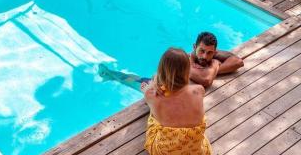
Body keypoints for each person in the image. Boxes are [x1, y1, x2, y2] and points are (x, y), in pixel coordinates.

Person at [98, 30, 244, 90]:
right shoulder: (184, 60)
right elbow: (205, 80)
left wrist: (214, 65)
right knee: (130, 80)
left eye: (210, 53)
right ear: (194, 47)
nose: (205, 56)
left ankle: (110, 73)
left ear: (215, 52)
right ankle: (109, 73)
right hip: (156, 86)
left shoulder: (210, 59)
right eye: (201, 51)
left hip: (174, 89)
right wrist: (214, 64)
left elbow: (238, 61)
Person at [142, 47, 212, 155]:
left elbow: (150, 88)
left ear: (161, 69)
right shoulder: (199, 90)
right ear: (187, 70)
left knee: (154, 116)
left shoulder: (152, 96)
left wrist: (154, 84)